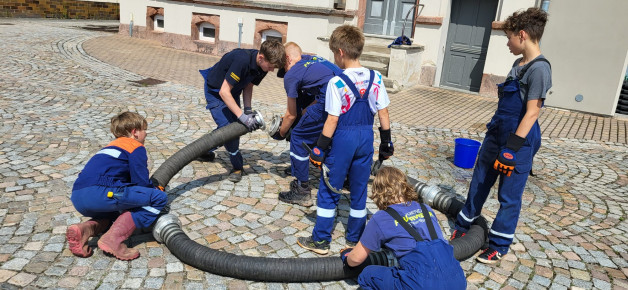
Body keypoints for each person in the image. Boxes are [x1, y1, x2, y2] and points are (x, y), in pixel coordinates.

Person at [451, 7, 552, 264]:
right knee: (479, 182)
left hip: (517, 144)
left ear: (522, 35)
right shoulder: (518, 64)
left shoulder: (539, 70)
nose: (507, 43)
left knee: (508, 197)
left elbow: (532, 113)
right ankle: (464, 225)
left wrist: (511, 149)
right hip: (496, 136)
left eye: (509, 37)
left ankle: (499, 244)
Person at [297, 25, 393, 254]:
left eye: (333, 53)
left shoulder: (336, 83)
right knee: (359, 189)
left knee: (330, 187)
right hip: (365, 138)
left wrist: (319, 149)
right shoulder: (376, 78)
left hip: (342, 139)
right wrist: (386, 142)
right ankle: (355, 239)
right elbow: (384, 113)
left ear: (340, 52)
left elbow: (331, 120)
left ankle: (320, 240)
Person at [340, 167, 466, 289]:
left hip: (421, 284)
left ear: (378, 192)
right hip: (458, 281)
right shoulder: (425, 209)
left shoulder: (381, 218)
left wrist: (347, 255)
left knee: (367, 275)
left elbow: (355, 260)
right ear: (405, 186)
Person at [67, 112, 168, 261]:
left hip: (78, 197)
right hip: (103, 193)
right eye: (144, 130)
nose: (146, 134)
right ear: (135, 132)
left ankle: (85, 230)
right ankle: (112, 240)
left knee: (115, 213)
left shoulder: (108, 148)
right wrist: (153, 190)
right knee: (157, 198)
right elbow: (141, 182)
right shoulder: (134, 146)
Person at [198, 40, 285, 183]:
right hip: (216, 92)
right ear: (261, 57)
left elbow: (249, 85)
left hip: (233, 91)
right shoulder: (242, 61)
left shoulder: (261, 66)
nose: (271, 70)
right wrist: (242, 117)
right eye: (270, 66)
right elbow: (224, 92)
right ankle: (237, 167)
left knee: (231, 128)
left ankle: (203, 150)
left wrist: (248, 110)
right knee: (229, 129)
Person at [273, 42, 342, 207]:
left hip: (329, 101)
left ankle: (302, 190)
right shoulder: (313, 59)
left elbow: (290, 115)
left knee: (297, 136)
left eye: (283, 67)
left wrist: (281, 133)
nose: (285, 73)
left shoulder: (292, 75)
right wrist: (303, 116)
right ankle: (342, 176)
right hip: (346, 97)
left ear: (288, 59)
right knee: (327, 135)